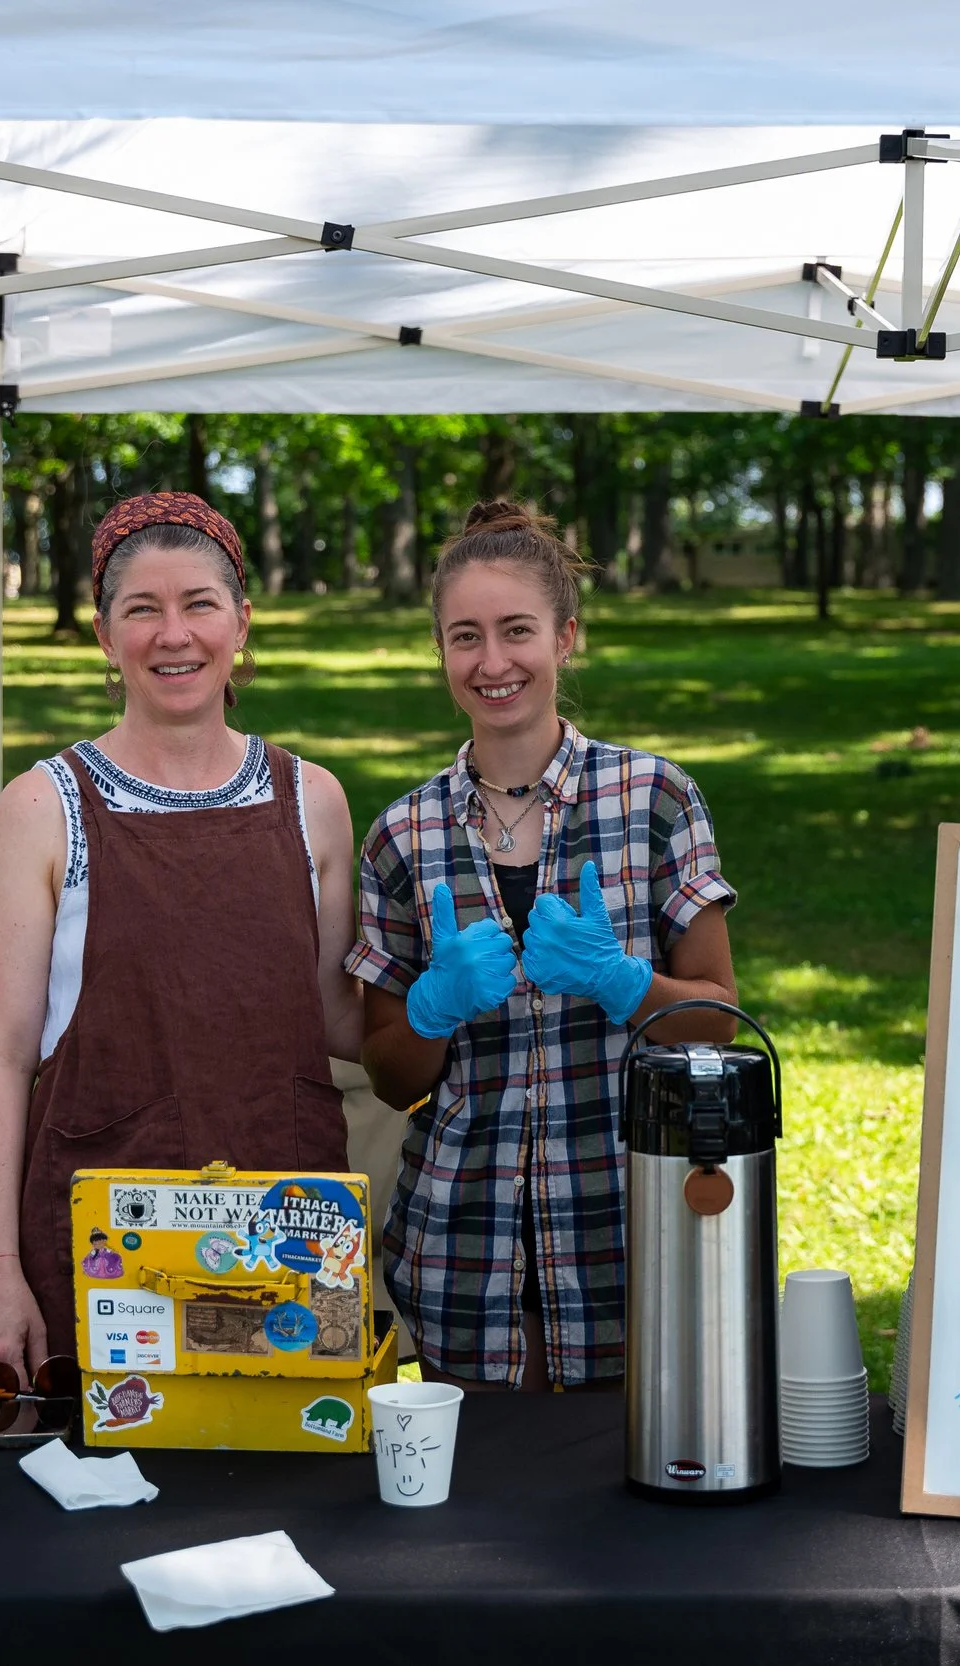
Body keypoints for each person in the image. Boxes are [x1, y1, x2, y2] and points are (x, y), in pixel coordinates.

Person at [0, 491, 364, 1380]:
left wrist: (441, 997)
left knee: (294, 1500)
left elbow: (335, 1020)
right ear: (106, 636)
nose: (173, 635)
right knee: (104, 1506)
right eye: (142, 610)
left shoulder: (313, 801)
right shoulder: (43, 808)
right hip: (105, 1254)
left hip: (285, 1243)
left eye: (199, 605)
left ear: (241, 623)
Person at [350, 501, 739, 1392]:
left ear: (567, 638)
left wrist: (623, 982)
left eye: (517, 630)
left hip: (629, 1237)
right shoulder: (403, 834)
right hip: (460, 1254)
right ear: (441, 652)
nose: (492, 662)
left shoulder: (654, 798)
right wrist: (432, 1007)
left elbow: (720, 1024)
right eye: (464, 637)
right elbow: (392, 1076)